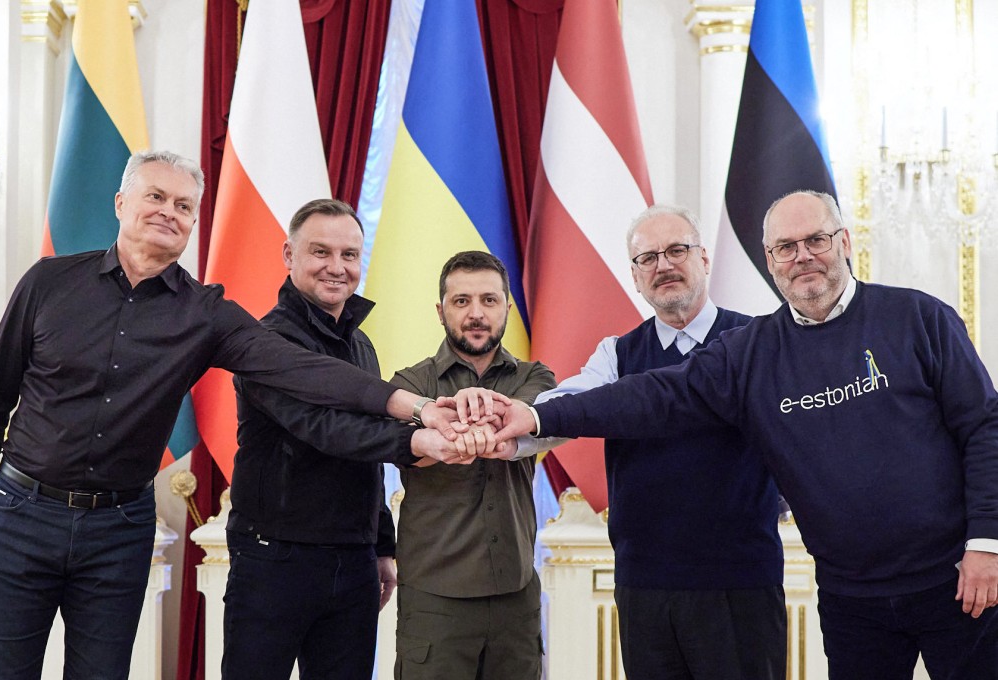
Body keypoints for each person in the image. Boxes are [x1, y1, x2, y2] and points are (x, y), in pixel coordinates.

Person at [0, 151, 477, 680]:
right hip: (20, 512)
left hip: (118, 526)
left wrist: (417, 407)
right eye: (156, 197)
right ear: (121, 203)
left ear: (194, 223)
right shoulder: (47, 283)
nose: (169, 212)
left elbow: (301, 369)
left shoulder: (206, 314)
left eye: (184, 205)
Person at [495, 190, 998, 680]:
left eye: (816, 240)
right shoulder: (752, 352)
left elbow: (983, 428)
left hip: (956, 579)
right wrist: (539, 419)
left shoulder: (919, 318)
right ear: (770, 260)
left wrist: (987, 544)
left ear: (844, 241)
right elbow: (650, 395)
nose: (802, 257)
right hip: (851, 600)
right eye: (786, 247)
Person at [516, 204, 785, 679]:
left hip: (739, 583)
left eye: (677, 250)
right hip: (645, 586)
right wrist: (506, 429)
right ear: (636, 278)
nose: (663, 265)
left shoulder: (760, 340)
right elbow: (564, 409)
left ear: (704, 259)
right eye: (648, 258)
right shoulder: (616, 354)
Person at [222, 199, 450, 679]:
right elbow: (324, 431)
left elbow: (365, 459)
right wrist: (417, 441)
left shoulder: (359, 342)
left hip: (353, 560)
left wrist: (382, 546)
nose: (337, 267)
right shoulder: (265, 343)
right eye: (320, 252)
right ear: (288, 255)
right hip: (275, 559)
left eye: (349, 255)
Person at [389, 251, 555, 680]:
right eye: (461, 301)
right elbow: (394, 444)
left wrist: (487, 418)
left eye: (489, 300)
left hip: (516, 597)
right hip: (434, 601)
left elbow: (540, 416)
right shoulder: (409, 386)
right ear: (441, 310)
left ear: (507, 308)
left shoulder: (536, 378)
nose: (476, 314)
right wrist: (454, 423)